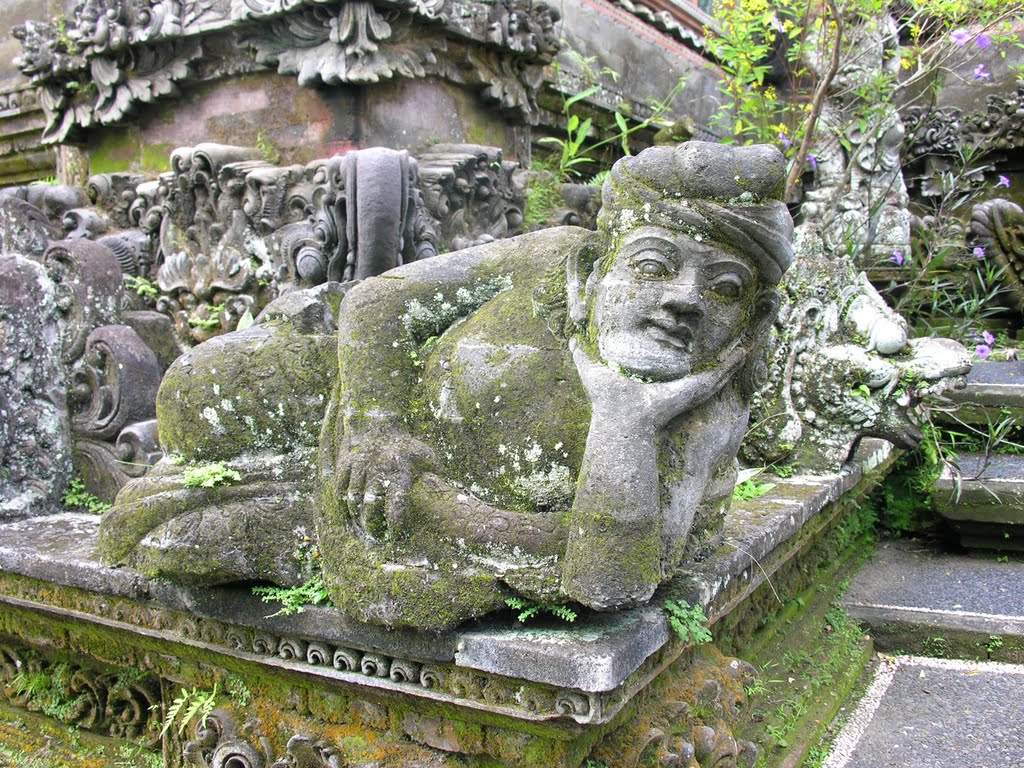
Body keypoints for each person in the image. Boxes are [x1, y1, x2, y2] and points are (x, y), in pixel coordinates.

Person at [317, 141, 794, 624]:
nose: (685, 300)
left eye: (724, 288)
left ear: (750, 325)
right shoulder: (548, 259)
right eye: (653, 267)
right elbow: (378, 300)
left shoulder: (707, 415)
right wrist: (378, 427)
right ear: (590, 272)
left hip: (403, 510)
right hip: (343, 403)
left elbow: (611, 577)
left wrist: (624, 416)